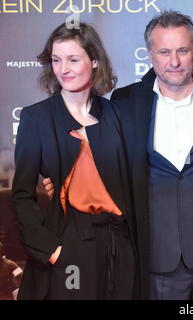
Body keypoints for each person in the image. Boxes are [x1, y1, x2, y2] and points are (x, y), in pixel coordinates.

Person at [111, 11, 193, 299]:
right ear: (149, 54)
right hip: (155, 261)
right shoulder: (124, 102)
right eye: (164, 52)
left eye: (183, 51)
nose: (174, 62)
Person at [12, 22, 135, 299]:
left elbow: (132, 181)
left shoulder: (117, 114)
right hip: (68, 242)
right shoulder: (37, 118)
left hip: (119, 244)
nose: (63, 69)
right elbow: (21, 195)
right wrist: (50, 250)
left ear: (94, 61)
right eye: (56, 60)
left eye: (73, 59)